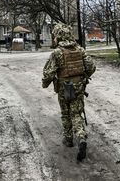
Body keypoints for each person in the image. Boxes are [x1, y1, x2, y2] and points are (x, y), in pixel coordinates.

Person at [42, 23, 96, 162]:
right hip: (78, 86)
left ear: (59, 36)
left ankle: (68, 139)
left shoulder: (57, 53)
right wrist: (84, 77)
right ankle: (81, 136)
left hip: (64, 87)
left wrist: (45, 83)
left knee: (66, 113)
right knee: (76, 113)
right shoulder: (80, 49)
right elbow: (91, 66)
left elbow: (49, 73)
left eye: (55, 35)